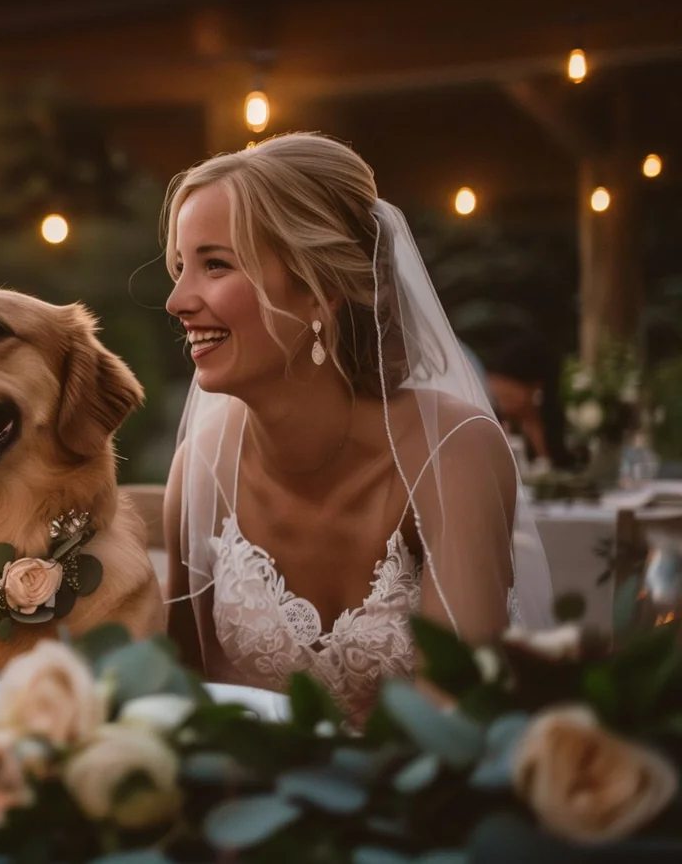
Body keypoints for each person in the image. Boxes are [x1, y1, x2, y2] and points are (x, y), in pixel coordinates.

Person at [160, 133, 554, 723]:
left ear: (322, 290)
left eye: (215, 264)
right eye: (180, 267)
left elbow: (462, 713)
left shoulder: (453, 450)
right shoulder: (201, 466)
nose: (177, 300)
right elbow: (183, 699)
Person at [476, 334, 578, 473]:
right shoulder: (494, 426)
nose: (502, 404)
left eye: (508, 397)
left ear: (536, 389)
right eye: (497, 397)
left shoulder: (553, 427)